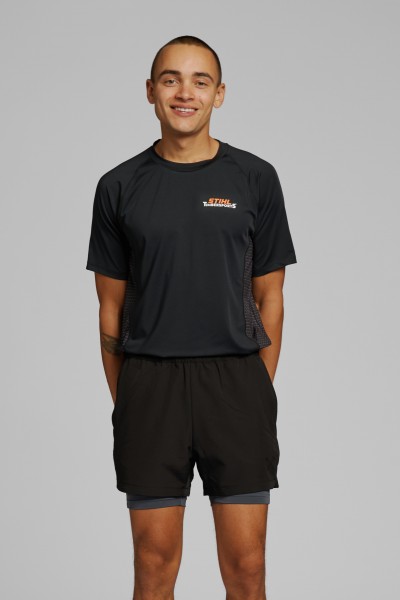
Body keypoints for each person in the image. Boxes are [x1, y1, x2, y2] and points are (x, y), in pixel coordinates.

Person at [86, 35, 297, 600]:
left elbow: (271, 296)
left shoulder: (255, 178)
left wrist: (256, 386)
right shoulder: (118, 186)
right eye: (171, 79)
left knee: (247, 568)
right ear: (150, 91)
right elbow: (110, 306)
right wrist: (130, 395)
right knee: (153, 568)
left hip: (236, 384)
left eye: (200, 81)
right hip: (151, 385)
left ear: (219, 94)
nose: (185, 92)